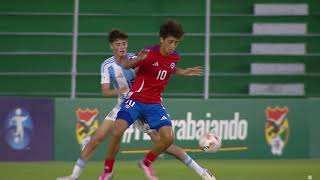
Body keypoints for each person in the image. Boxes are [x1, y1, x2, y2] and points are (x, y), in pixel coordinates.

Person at [57, 28, 215, 180]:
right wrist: (120, 91)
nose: (122, 47)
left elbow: (163, 67)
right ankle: (76, 176)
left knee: (166, 144)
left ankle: (200, 171)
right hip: (125, 104)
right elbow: (105, 91)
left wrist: (180, 72)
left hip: (144, 103)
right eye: (118, 44)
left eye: (124, 44)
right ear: (111, 46)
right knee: (97, 138)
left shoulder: (138, 56)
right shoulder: (107, 65)